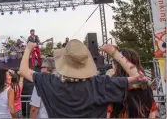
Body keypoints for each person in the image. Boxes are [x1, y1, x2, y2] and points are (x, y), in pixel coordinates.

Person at [19, 39, 149, 118]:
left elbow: (23, 70)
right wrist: (114, 53)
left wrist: (28, 49)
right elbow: (141, 80)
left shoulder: (49, 82)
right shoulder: (101, 84)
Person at [107, 49, 157, 118]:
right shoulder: (146, 88)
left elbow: (107, 114)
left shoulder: (112, 88)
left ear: (117, 65)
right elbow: (152, 115)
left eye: (113, 62)